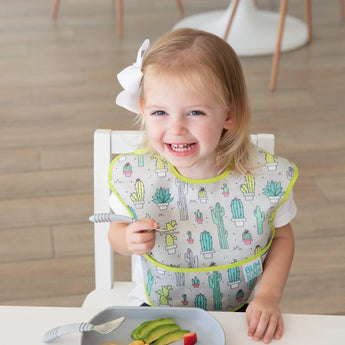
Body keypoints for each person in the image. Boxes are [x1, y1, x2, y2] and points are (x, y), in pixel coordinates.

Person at [108, 28, 298, 344]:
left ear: (229, 113)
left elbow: (283, 238)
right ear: (144, 110)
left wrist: (268, 296)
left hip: (240, 312)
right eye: (160, 113)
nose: (176, 128)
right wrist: (127, 239)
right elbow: (115, 230)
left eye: (195, 112)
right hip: (154, 309)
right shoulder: (139, 175)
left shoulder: (264, 178)